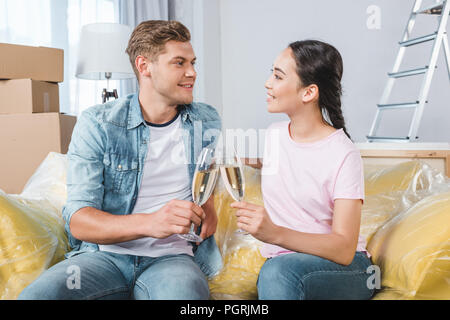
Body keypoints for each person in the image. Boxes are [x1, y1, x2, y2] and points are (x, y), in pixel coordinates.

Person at [18, 20, 222, 300]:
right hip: (102, 258)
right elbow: (79, 220)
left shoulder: (206, 119)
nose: (192, 73)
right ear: (144, 66)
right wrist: (151, 223)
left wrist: (208, 205)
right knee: (38, 296)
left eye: (193, 62)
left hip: (172, 260)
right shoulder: (99, 123)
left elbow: (205, 171)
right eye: (179, 63)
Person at [234, 40, 374, 300]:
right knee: (279, 270)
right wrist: (229, 161)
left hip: (346, 267)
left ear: (308, 93)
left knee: (278, 273)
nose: (268, 83)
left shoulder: (344, 154)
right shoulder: (274, 135)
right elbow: (297, 165)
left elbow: (344, 249)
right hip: (288, 262)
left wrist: (274, 233)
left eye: (278, 76)